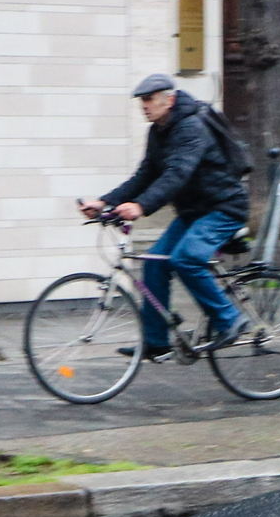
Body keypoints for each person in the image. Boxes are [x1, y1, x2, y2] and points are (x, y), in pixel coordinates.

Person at [78, 74, 251, 364]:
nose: (143, 106)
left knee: (186, 258)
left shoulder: (191, 127)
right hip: (194, 212)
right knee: (154, 264)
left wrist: (141, 207)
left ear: (169, 100)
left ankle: (230, 319)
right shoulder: (158, 132)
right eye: (141, 101)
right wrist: (105, 202)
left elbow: (177, 175)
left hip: (223, 208)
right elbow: (144, 176)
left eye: (149, 99)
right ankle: (157, 343)